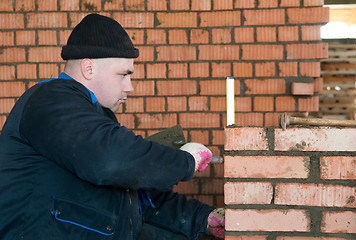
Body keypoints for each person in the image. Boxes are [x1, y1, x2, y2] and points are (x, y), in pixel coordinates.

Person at [0, 13, 224, 240]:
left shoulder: (90, 119)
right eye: (123, 75)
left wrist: (203, 218)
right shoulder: (50, 100)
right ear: (88, 68)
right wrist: (185, 161)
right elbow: (112, 160)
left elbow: (135, 197)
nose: (130, 87)